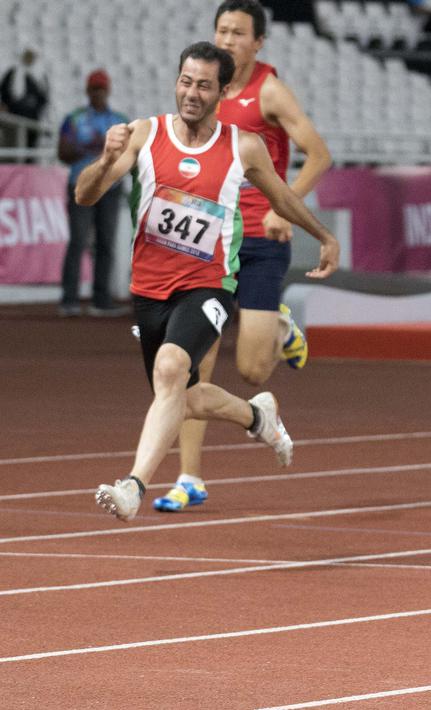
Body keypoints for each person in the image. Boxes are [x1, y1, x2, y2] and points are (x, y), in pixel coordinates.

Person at [80, 42, 339, 522]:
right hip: (149, 289)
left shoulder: (243, 146)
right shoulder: (143, 134)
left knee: (171, 370)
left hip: (210, 283)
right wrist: (103, 160)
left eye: (203, 85)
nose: (191, 93)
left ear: (222, 90)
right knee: (182, 397)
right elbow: (85, 195)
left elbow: (282, 198)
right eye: (185, 81)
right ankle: (258, 417)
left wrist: (323, 236)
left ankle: (134, 485)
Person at [154, 0, 334, 514]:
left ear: (258, 43)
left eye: (238, 33)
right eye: (221, 30)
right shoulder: (203, 89)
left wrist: (285, 206)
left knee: (254, 372)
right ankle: (188, 477)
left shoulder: (269, 91)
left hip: (259, 238)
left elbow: (319, 154)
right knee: (193, 365)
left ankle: (280, 330)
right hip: (208, 245)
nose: (228, 40)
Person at [58, 70, 129, 317]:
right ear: (88, 91)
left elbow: (129, 154)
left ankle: (101, 300)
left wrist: (103, 150)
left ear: (107, 90)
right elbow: (62, 153)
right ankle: (69, 300)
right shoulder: (74, 119)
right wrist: (92, 147)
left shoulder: (120, 120)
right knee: (78, 241)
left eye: (101, 88)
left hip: (110, 188)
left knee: (106, 244)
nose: (98, 93)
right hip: (81, 185)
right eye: (94, 89)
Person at [1, 48, 49, 156]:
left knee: (30, 150)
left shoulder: (40, 75)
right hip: (14, 120)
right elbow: (4, 92)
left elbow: (44, 98)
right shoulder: (13, 73)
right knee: (13, 149)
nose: (29, 58)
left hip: (32, 120)